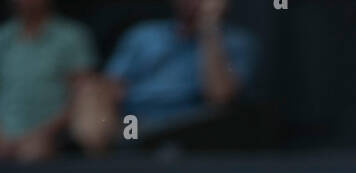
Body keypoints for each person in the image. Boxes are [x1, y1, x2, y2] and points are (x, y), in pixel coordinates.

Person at [73, 0, 257, 152]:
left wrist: (209, 28)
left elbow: (221, 96)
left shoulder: (237, 42)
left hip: (188, 124)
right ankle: (99, 171)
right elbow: (112, 85)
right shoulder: (143, 35)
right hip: (134, 121)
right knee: (89, 91)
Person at [0, 0, 96, 161]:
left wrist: (45, 134)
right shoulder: (3, 37)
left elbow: (83, 96)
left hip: (55, 130)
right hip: (6, 129)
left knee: (32, 155)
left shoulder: (71, 36)